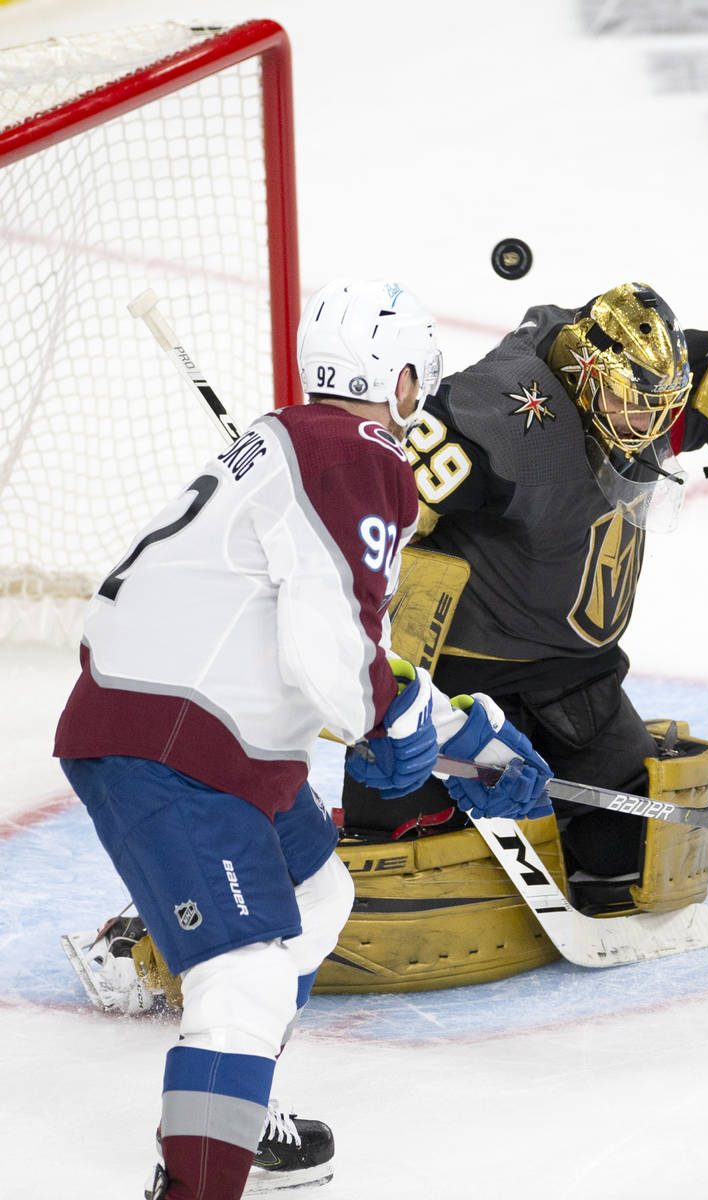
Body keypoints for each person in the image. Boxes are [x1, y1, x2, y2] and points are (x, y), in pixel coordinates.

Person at [53, 279, 551, 1200]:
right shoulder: (355, 453)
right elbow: (333, 650)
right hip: (173, 746)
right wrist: (386, 723)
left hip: (197, 734)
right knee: (239, 979)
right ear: (401, 382)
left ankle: (237, 1123)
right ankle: (199, 1178)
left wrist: (469, 739)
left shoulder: (295, 446)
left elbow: (344, 651)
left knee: (317, 893)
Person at [340, 236, 708, 902]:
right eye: (635, 409)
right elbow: (376, 497)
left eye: (662, 411)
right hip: (460, 677)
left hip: (576, 675)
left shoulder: (642, 394)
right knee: (403, 859)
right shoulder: (497, 419)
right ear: (586, 376)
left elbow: (691, 405)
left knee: (626, 861)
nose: (652, 428)